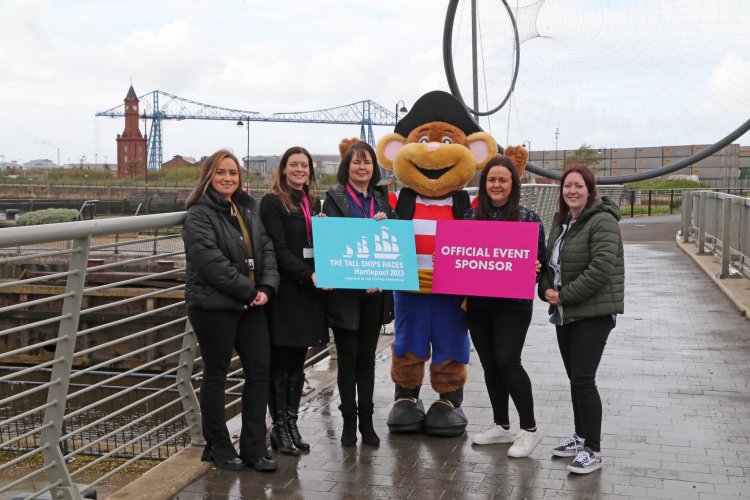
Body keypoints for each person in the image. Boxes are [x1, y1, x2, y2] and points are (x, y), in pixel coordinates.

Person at [182, 149, 279, 472]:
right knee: (216, 373)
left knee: (259, 370)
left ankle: (254, 448)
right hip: (214, 305)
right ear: (209, 176)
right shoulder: (199, 213)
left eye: (233, 173)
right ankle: (219, 446)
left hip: (252, 303)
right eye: (221, 172)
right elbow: (210, 263)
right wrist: (248, 291)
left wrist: (265, 288)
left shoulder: (248, 209)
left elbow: (266, 249)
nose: (227, 178)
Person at [539, 163, 624, 474]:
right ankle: (580, 435)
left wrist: (564, 295)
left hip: (593, 313)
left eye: (578, 186)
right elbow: (548, 264)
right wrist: (546, 289)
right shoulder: (562, 222)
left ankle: (594, 449)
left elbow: (601, 269)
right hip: (566, 312)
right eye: (567, 186)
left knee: (584, 379)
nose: (572, 191)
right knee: (575, 378)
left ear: (590, 190)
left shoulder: (603, 222)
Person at [464, 155, 546, 458]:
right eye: (491, 180)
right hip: (478, 304)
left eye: (503, 180)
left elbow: (542, 259)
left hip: (512, 304)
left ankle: (530, 429)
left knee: (508, 361)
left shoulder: (528, 218)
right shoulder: (469, 218)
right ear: (483, 185)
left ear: (513, 185)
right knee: (489, 364)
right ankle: (501, 423)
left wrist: (537, 266)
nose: (496, 185)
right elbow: (458, 254)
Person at [322, 141, 396, 447]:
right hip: (345, 293)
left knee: (367, 359)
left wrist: (387, 223)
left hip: (374, 292)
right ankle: (348, 422)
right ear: (347, 167)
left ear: (374, 167)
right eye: (356, 163)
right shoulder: (333, 198)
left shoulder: (382, 200)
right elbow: (334, 243)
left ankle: (367, 421)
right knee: (347, 359)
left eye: (367, 162)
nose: (362, 168)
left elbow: (391, 242)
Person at [259, 146, 329, 456]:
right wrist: (308, 274)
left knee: (298, 361)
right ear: (284, 169)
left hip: (308, 291)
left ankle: (292, 422)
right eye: (294, 165)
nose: (300, 170)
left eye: (305, 165)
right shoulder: (272, 203)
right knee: (280, 361)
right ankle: (278, 428)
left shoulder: (311, 201)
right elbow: (277, 248)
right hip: (288, 289)